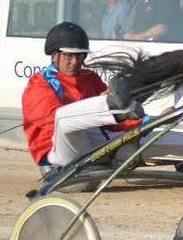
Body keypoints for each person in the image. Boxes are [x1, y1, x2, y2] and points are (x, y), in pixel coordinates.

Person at [22, 22, 148, 167]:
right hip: (56, 150)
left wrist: (143, 122)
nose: (75, 62)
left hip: (92, 140)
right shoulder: (40, 83)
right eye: (68, 56)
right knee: (62, 119)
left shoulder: (90, 78)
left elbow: (109, 124)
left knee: (153, 131)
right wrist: (101, 107)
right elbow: (53, 123)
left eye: (80, 56)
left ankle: (180, 159)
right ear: (55, 56)